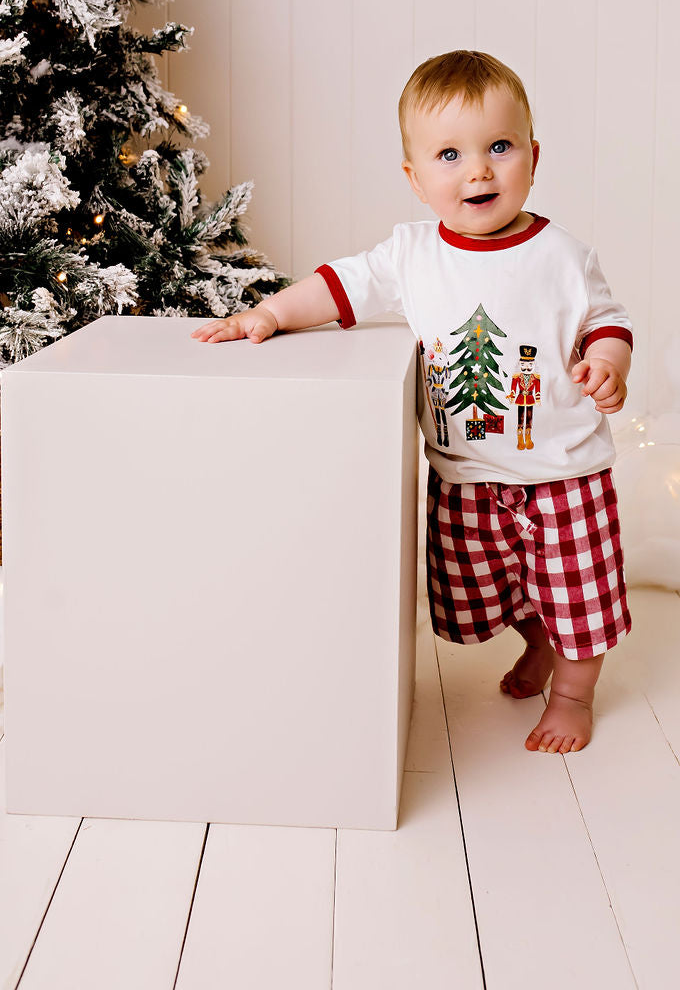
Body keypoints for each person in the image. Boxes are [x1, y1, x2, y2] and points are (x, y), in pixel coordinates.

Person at [191, 50, 633, 755]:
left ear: (533, 155)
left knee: (578, 597)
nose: (478, 170)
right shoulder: (413, 253)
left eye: (499, 147)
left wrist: (606, 361)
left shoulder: (562, 255)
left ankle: (573, 692)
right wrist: (271, 313)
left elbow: (606, 321)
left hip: (563, 475)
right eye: (450, 154)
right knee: (480, 598)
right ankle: (537, 642)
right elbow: (340, 288)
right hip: (464, 478)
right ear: (416, 177)